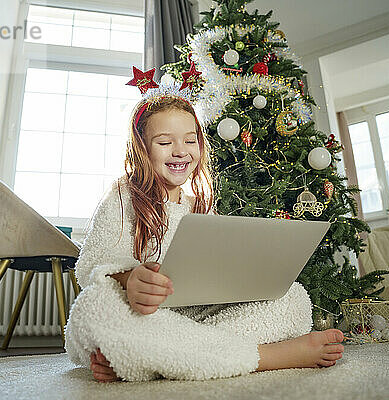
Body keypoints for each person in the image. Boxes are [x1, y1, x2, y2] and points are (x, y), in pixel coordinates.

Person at [64, 94, 345, 382]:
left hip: (195, 318)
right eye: (164, 142)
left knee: (294, 298)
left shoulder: (200, 206)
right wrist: (130, 278)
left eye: (189, 140)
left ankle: (141, 359)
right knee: (94, 307)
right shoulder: (122, 197)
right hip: (143, 316)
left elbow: (216, 274)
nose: (180, 151)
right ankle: (268, 357)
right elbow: (91, 268)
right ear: (142, 150)